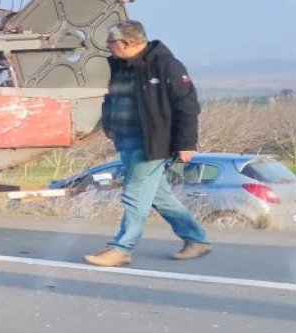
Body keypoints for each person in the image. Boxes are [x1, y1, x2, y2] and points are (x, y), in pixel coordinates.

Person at [85, 20, 212, 267]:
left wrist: (187, 143)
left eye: (111, 42)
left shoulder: (165, 65)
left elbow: (187, 106)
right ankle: (197, 239)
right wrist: (109, 123)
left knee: (134, 194)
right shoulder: (119, 66)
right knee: (158, 196)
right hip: (126, 139)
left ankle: (122, 248)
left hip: (152, 142)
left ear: (127, 42)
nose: (108, 47)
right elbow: (111, 97)